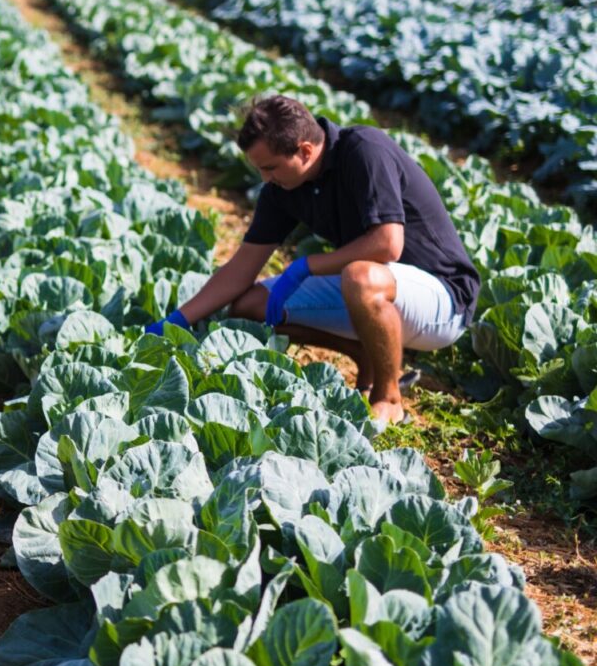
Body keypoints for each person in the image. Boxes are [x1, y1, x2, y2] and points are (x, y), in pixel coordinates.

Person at [150, 97, 479, 426]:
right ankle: (363, 352)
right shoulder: (283, 189)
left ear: (305, 151)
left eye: (270, 167)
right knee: (249, 307)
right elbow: (241, 268)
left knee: (360, 276)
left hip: (441, 299)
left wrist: (306, 267)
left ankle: (389, 396)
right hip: (375, 291)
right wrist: (177, 320)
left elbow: (388, 243)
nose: (265, 178)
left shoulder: (365, 150)